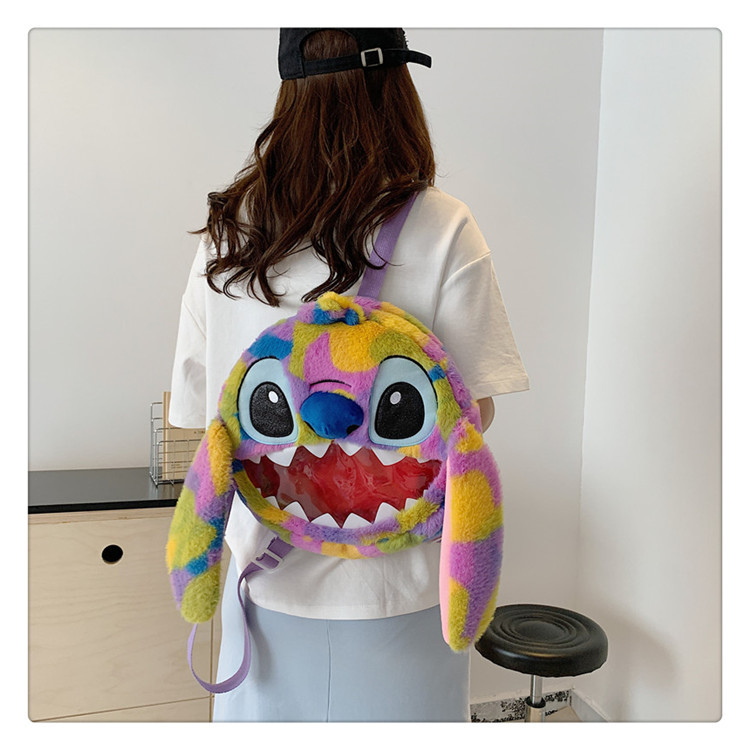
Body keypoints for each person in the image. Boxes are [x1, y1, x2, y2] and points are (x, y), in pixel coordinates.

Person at [169, 28, 529, 722]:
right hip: (403, 589)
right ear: (397, 90)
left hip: (262, 577)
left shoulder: (230, 234)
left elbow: (199, 413)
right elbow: (470, 417)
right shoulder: (444, 227)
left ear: (289, 94)